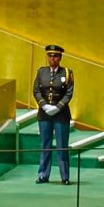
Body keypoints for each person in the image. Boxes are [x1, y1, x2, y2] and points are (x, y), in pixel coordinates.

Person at [33, 45, 74, 185]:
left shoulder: (67, 73)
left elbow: (69, 93)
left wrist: (57, 107)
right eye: (50, 56)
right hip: (44, 114)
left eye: (55, 56)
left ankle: (65, 176)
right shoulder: (41, 72)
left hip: (61, 114)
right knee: (45, 145)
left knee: (62, 146)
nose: (52, 58)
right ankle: (43, 175)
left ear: (60, 57)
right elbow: (36, 90)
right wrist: (43, 105)